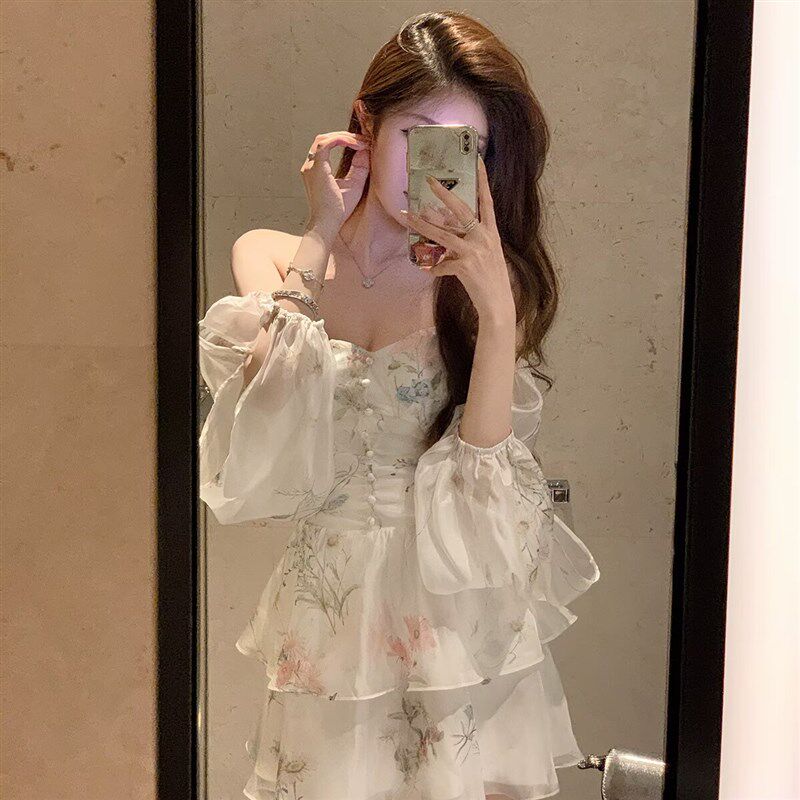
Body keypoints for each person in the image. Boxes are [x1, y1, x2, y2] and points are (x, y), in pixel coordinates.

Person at [198, 11, 600, 800]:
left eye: (463, 145)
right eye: (416, 134)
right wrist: (320, 228)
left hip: (450, 611)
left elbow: (485, 475)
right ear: (365, 123)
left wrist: (496, 307)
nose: (436, 166)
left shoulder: (486, 284)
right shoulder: (271, 253)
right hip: (328, 605)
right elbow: (265, 411)